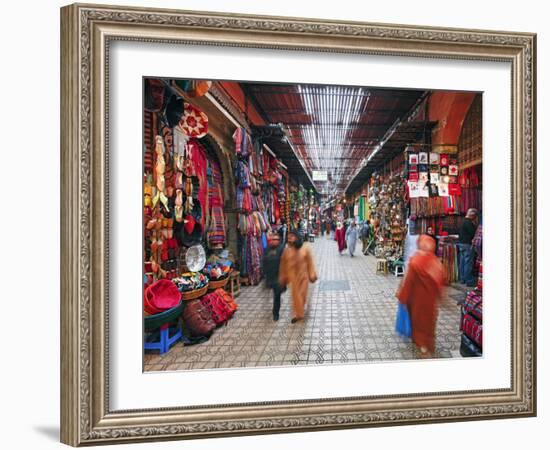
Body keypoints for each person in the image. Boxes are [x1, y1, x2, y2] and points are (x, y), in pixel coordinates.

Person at [396, 235, 446, 358]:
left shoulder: (415, 262)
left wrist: (401, 296)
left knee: (418, 324)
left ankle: (423, 348)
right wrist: (441, 298)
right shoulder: (436, 263)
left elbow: (408, 283)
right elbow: (441, 283)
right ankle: (427, 344)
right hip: (431, 303)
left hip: (417, 302)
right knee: (429, 324)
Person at [279, 230, 318, 323]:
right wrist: (283, 277)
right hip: (293, 277)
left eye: (292, 237)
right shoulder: (286, 251)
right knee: (295, 296)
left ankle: (300, 311)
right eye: (289, 237)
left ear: (297, 237)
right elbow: (283, 265)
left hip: (303, 276)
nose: (290, 239)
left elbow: (310, 262)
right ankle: (298, 314)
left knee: (302, 294)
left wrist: (312, 274)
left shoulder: (305, 249)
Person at [262, 232, 285, 321]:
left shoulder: (281, 249)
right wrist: (264, 272)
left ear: (279, 241)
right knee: (272, 294)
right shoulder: (267, 249)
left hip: (278, 277)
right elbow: (264, 261)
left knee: (277, 296)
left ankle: (276, 313)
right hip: (270, 276)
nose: (274, 241)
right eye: (273, 239)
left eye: (276, 239)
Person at [457, 208, 479, 286]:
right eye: (475, 216)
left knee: (462, 262)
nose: (475, 217)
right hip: (467, 244)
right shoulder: (469, 223)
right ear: (472, 215)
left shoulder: (463, 221)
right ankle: (469, 280)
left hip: (461, 244)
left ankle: (462, 279)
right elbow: (473, 233)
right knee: (468, 263)